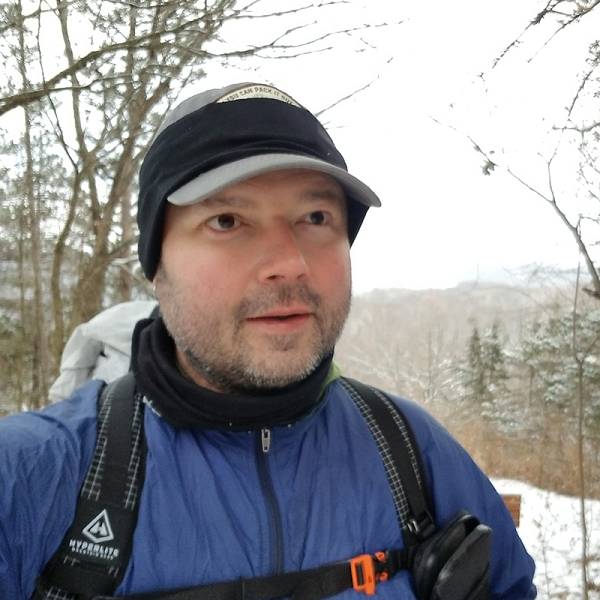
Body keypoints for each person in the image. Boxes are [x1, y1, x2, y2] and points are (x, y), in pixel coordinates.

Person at [0, 82, 536, 599]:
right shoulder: (35, 474)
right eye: (228, 220)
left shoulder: (413, 453)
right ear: (157, 266)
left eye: (316, 217)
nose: (289, 263)